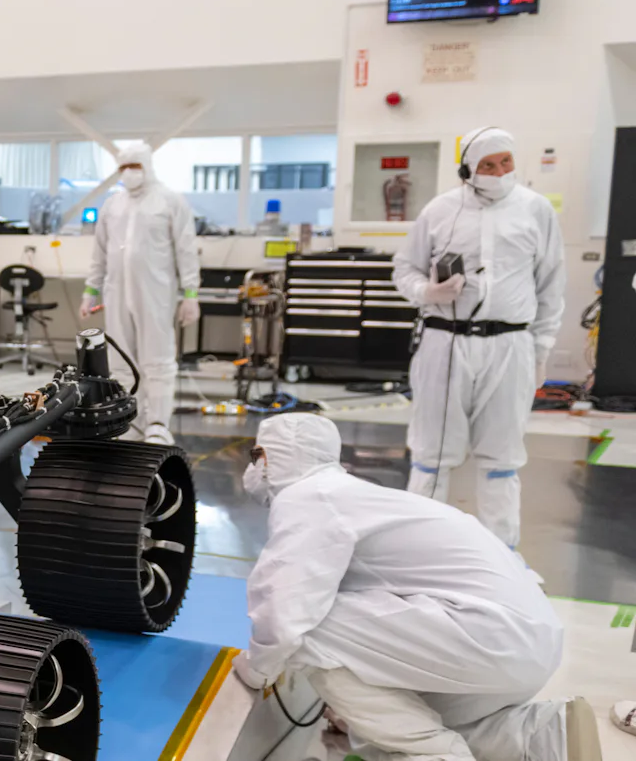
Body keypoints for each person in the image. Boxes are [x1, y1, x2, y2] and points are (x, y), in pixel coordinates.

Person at [239, 412, 598, 761]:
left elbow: (283, 607)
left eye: (257, 456)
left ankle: (433, 756)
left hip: (488, 633)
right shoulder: (355, 494)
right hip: (527, 641)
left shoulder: (309, 496)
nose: (253, 469)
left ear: (275, 457)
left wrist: (258, 668)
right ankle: (543, 737)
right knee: (415, 719)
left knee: (310, 630)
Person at [392, 127, 564, 550]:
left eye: (506, 162)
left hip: (510, 345)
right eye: (488, 165)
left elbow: (551, 284)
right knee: (432, 453)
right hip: (445, 343)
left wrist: (541, 348)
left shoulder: (536, 210)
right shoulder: (440, 210)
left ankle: (501, 557)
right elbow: (404, 270)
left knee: (502, 455)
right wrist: (426, 293)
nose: (500, 171)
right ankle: (420, 551)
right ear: (468, 169)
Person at [82, 142, 199, 444]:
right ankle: (128, 420)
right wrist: (91, 290)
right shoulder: (113, 204)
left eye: (135, 166)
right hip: (116, 291)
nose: (129, 173)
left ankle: (158, 423)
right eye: (124, 167)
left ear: (147, 166)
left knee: (157, 359)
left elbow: (186, 249)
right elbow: (100, 252)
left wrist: (191, 293)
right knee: (120, 359)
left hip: (156, 293)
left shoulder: (169, 201)